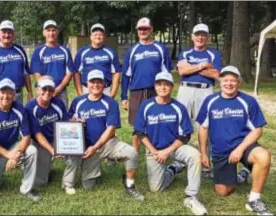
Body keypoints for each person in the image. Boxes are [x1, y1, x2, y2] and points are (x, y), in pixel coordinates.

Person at [196, 66, 273, 215]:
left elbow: (258, 129)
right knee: (223, 191)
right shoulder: (210, 100)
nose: (229, 83)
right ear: (220, 81)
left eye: (233, 80)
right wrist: (204, 154)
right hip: (221, 150)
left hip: (243, 147)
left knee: (263, 156)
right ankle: (242, 175)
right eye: (225, 80)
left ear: (239, 83)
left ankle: (254, 200)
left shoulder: (248, 101)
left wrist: (240, 149)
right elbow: (203, 128)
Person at [62, 70, 143, 201]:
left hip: (107, 144)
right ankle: (76, 176)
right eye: (92, 82)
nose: (95, 84)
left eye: (99, 82)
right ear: (87, 84)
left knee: (132, 153)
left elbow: (110, 130)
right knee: (88, 186)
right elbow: (67, 121)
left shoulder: (110, 102)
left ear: (104, 84)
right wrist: (75, 122)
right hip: (86, 146)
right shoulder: (78, 101)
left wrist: (95, 147)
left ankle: (130, 185)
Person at [133, 72, 207, 215]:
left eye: (166, 84)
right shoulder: (146, 105)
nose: (163, 87)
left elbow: (185, 135)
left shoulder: (179, 107)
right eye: (159, 84)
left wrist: (167, 151)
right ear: (155, 86)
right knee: (156, 188)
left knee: (194, 155)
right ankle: (173, 169)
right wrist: (154, 151)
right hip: (154, 149)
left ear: (172, 87)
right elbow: (140, 132)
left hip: (174, 147)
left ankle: (191, 196)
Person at [0, 78, 41, 202]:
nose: (6, 96)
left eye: (9, 92)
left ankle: (27, 188)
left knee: (32, 150)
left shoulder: (19, 109)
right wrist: (8, 155)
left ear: (14, 94)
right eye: (3, 92)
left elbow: (26, 136)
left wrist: (16, 154)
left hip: (12, 147)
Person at [120, 17, 171, 160]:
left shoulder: (160, 49)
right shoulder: (132, 51)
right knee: (137, 124)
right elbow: (126, 75)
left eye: (145, 29)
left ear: (151, 29)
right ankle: (135, 154)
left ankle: (158, 150)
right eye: (140, 29)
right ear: (137, 31)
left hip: (156, 91)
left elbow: (166, 72)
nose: (143, 31)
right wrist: (124, 97)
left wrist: (166, 92)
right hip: (136, 91)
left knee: (158, 120)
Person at [176, 23, 222, 177]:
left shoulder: (214, 53)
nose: (200, 37)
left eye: (203, 34)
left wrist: (192, 67)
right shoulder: (185, 52)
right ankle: (179, 160)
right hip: (185, 89)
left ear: (207, 37)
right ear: (192, 37)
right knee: (180, 124)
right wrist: (203, 65)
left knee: (204, 126)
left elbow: (216, 74)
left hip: (205, 90)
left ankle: (204, 163)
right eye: (197, 34)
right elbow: (182, 70)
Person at [25, 76, 67, 186]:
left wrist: (60, 144)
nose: (47, 92)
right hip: (41, 143)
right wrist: (52, 150)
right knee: (40, 182)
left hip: (58, 138)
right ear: (38, 90)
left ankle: (71, 178)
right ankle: (42, 168)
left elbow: (64, 124)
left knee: (75, 151)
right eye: (44, 89)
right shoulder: (30, 107)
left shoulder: (58, 103)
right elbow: (37, 135)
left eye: (50, 90)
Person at [0, 20, 33, 104]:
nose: (7, 35)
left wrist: (30, 92)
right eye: (4, 32)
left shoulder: (19, 50)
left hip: (17, 93)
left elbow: (26, 73)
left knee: (16, 116)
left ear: (13, 34)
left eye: (9, 32)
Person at [30, 20, 76, 107]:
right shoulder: (38, 51)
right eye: (48, 30)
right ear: (44, 33)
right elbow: (36, 73)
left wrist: (58, 89)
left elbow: (70, 72)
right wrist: (46, 89)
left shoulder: (65, 51)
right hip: (44, 91)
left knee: (62, 117)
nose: (51, 33)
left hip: (61, 91)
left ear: (57, 32)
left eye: (53, 30)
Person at [73, 23, 121, 98]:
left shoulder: (111, 52)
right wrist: (80, 93)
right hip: (87, 90)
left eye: (100, 34)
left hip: (105, 90)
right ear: (90, 36)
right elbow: (76, 73)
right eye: (95, 34)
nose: (98, 37)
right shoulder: (82, 52)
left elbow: (116, 73)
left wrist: (112, 94)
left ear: (104, 36)